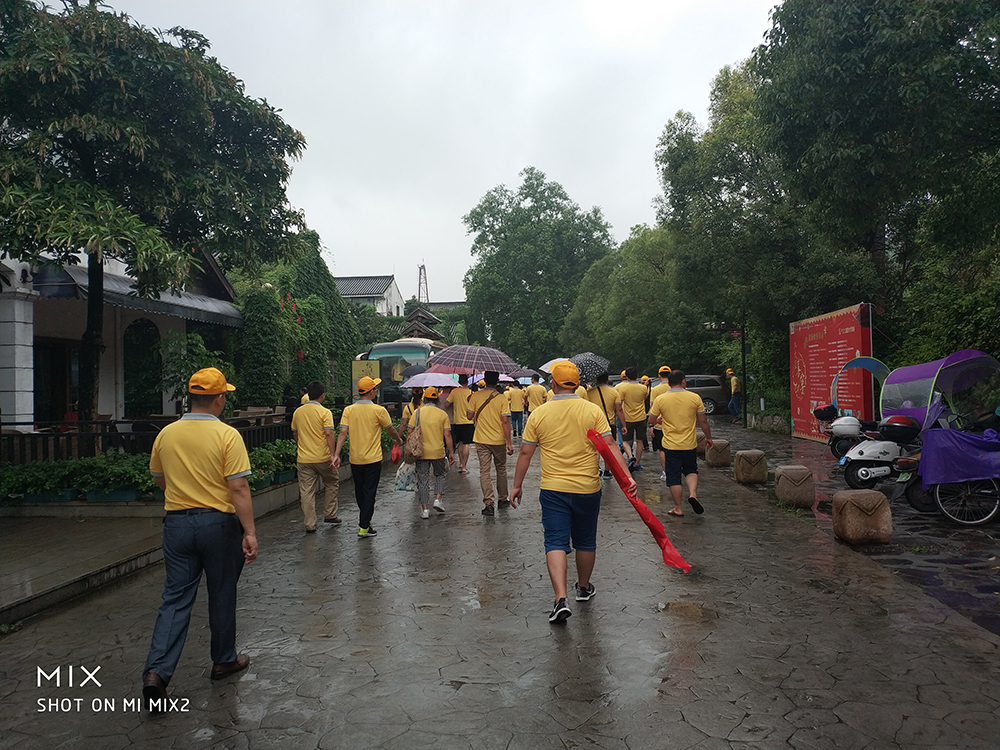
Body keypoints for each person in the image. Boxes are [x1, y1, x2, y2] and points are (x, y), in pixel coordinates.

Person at [142, 367, 256, 712]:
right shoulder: (227, 435)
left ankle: (157, 672)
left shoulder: (166, 434)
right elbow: (238, 487)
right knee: (221, 592)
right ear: (219, 398)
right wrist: (250, 532)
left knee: (175, 598)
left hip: (177, 525)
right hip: (219, 525)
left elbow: (158, 477)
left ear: (191, 398)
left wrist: (184, 491)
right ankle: (223, 660)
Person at [510, 360, 635, 623]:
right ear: (577, 383)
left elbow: (525, 453)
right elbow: (610, 446)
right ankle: (583, 588)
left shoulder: (539, 414)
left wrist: (517, 485)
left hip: (553, 489)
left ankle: (560, 599)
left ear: (553, 384)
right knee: (585, 541)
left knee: (555, 542)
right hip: (588, 487)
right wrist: (627, 477)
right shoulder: (592, 411)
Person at [333, 376, 402, 537]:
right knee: (370, 491)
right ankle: (363, 526)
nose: (376, 391)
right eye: (375, 389)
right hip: (373, 458)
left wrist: (336, 454)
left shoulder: (349, 410)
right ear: (371, 392)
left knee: (360, 490)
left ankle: (366, 521)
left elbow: (342, 432)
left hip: (355, 458)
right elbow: (390, 429)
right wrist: (398, 439)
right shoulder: (379, 410)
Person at [648, 370, 715, 517]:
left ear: (668, 383)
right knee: (691, 470)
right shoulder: (694, 397)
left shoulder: (661, 399)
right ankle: (693, 495)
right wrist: (708, 437)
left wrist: (658, 420)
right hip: (689, 443)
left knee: (673, 476)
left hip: (670, 445)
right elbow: (703, 421)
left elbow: (651, 420)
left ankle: (678, 508)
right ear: (683, 381)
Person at [291, 380, 340, 532]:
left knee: (306, 491)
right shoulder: (325, 412)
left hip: (304, 458)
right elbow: (329, 433)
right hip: (323, 457)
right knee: (332, 482)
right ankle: (330, 513)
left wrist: (301, 446)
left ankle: (310, 524)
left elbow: (295, 433)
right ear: (323, 395)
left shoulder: (298, 412)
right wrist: (333, 454)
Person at [466, 370, 513, 516]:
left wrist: (470, 401)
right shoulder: (502, 398)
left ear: (484, 380)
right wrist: (509, 442)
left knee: (484, 471)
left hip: (481, 440)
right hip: (498, 440)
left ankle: (489, 503)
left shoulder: (475, 396)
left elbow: (469, 416)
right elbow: (505, 421)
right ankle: (503, 499)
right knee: (501, 469)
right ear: (497, 381)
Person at [409, 386, 455, 518]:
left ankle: (425, 510)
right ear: (437, 399)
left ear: (424, 398)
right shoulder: (442, 414)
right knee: (440, 474)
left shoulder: (417, 413)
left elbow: (410, 432)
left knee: (423, 480)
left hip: (421, 452)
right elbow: (447, 435)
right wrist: (451, 452)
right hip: (438, 451)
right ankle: (438, 499)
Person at [586, 372, 626, 478]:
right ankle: (607, 471)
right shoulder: (614, 392)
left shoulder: (589, 393)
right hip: (609, 424)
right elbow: (619, 409)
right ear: (607, 379)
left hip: (593, 424)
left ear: (597, 380)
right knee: (608, 448)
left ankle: (596, 468)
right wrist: (623, 425)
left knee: (595, 447)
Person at [619, 367, 649, 470]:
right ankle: (637, 463)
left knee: (625, 441)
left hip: (628, 418)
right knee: (640, 441)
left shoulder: (624, 388)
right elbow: (645, 398)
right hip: (641, 417)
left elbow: (620, 402)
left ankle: (630, 456)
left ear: (626, 377)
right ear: (637, 376)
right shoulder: (643, 388)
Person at [446, 375, 474, 474]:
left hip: (457, 421)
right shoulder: (471, 393)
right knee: (466, 444)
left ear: (458, 382)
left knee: (460, 443)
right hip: (469, 422)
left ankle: (461, 463)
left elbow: (446, 404)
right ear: (467, 382)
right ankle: (464, 466)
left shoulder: (454, 392)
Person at [649, 366, 672, 481]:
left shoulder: (655, 389)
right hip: (673, 424)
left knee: (662, 449)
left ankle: (665, 472)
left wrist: (651, 425)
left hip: (659, 425)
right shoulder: (673, 387)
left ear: (659, 376)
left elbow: (652, 407)